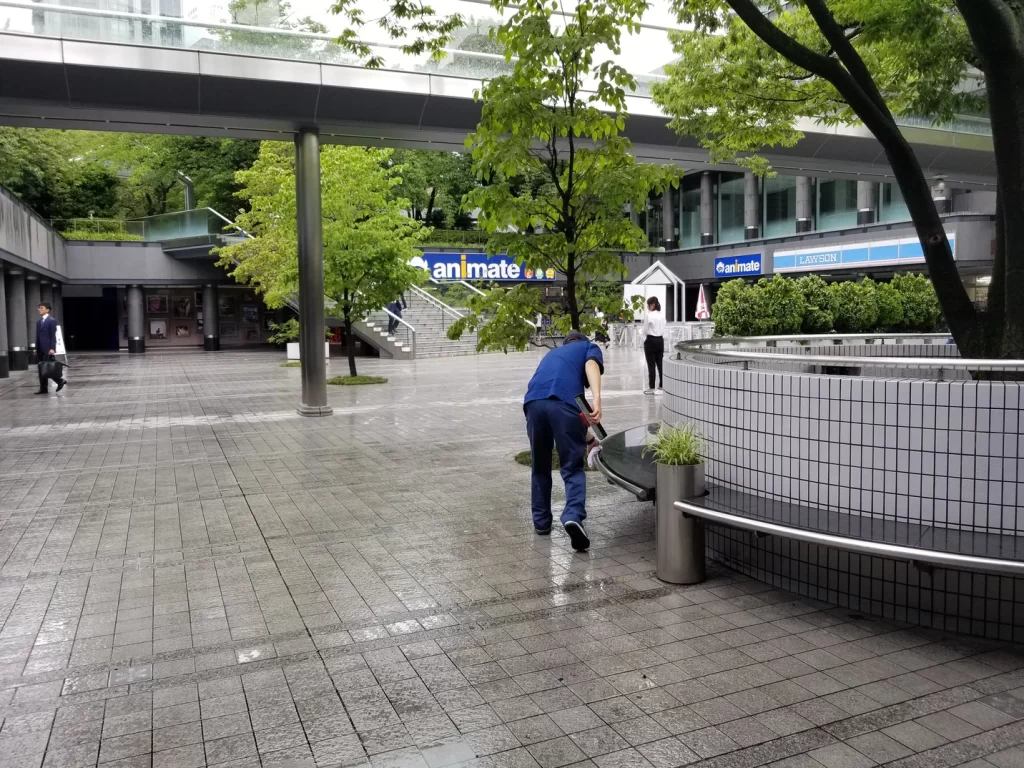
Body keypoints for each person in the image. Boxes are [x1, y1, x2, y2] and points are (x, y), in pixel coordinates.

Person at [523, 331, 604, 551]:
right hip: (565, 405)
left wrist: (589, 439)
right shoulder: (588, 347)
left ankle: (541, 522)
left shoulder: (553, 355)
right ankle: (573, 515)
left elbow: (559, 411)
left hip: (534, 405)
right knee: (572, 467)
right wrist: (597, 398)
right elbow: (591, 365)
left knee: (540, 466)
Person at [35, 302, 65, 395]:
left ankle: (60, 381)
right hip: (40, 348)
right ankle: (43, 388)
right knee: (41, 368)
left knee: (47, 368)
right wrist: (36, 347)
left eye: (42, 308)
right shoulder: (38, 322)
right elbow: (38, 336)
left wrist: (52, 348)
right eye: (39, 308)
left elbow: (53, 336)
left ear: (47, 310)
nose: (40, 310)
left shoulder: (51, 321)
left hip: (48, 348)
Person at [643, 296, 666, 395]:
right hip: (660, 340)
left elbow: (645, 330)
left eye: (648, 305)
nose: (648, 307)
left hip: (651, 340)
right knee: (660, 364)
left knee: (651, 365)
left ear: (652, 305)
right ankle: (662, 386)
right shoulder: (662, 315)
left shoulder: (649, 315)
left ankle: (652, 387)